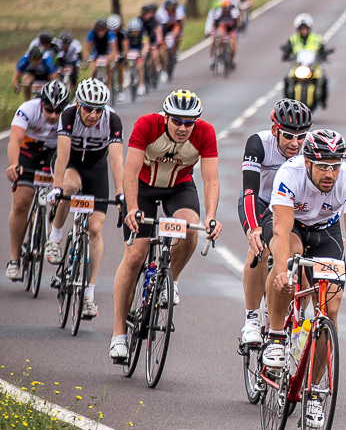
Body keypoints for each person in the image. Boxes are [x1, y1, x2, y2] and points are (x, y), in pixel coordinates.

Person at [261, 130, 346, 404]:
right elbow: (281, 231)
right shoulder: (289, 174)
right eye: (323, 166)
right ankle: (278, 335)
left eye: (335, 166)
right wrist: (282, 272)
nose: (330, 173)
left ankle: (315, 393)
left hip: (325, 232)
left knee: (331, 306)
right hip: (290, 226)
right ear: (308, 163)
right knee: (290, 268)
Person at [109, 90, 222, 364]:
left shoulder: (205, 133)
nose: (183, 128)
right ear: (166, 117)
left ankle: (170, 279)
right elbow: (130, 171)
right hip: (144, 188)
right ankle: (118, 334)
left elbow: (211, 180)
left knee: (189, 230)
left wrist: (210, 217)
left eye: (189, 122)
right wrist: (132, 207)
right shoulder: (147, 124)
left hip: (178, 187)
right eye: (177, 121)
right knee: (135, 256)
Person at [44, 79, 124, 319]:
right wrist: (57, 188)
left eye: (99, 109)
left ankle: (88, 295)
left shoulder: (112, 120)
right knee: (69, 186)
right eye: (88, 108)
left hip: (97, 171)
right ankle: (55, 237)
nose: (93, 114)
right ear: (78, 104)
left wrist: (120, 193)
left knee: (95, 230)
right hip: (72, 165)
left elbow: (116, 160)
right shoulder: (68, 115)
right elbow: (63, 154)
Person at [238, 99, 312, 345]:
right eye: (289, 136)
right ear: (275, 130)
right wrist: (253, 228)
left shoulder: (309, 150)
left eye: (301, 137)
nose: (295, 143)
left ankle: (292, 315)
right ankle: (251, 319)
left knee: (299, 255)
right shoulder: (259, 143)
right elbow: (249, 191)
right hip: (259, 202)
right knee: (261, 246)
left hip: (289, 208)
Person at [5, 80, 71, 281]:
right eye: (50, 110)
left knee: (63, 189)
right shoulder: (28, 109)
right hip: (28, 150)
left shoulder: (68, 116)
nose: (54, 116)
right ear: (41, 104)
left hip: (54, 153)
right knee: (22, 202)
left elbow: (67, 150)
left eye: (58, 111)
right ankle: (14, 259)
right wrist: (14, 164)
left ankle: (52, 225)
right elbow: (14, 140)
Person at [280, 13, 329, 106]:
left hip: (313, 65)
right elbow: (287, 49)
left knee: (323, 79)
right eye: (301, 29)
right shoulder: (293, 39)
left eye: (305, 28)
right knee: (287, 79)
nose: (303, 31)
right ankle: (286, 101)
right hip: (298, 65)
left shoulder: (316, 38)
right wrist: (286, 55)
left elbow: (322, 50)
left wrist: (323, 56)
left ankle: (323, 100)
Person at [208, 0, 239, 70]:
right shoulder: (218, 12)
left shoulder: (233, 12)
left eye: (227, 7)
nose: (226, 9)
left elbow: (235, 25)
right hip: (222, 30)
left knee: (232, 44)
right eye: (225, 7)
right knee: (215, 39)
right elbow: (215, 25)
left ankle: (232, 60)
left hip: (231, 30)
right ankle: (216, 56)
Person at [123, 18, 150, 96]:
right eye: (133, 31)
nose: (134, 33)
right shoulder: (127, 34)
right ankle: (127, 73)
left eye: (136, 31)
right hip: (131, 50)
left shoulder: (143, 33)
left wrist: (143, 53)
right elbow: (125, 45)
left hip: (139, 50)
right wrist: (126, 54)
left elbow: (146, 45)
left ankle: (141, 84)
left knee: (139, 66)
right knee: (125, 60)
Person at [139, 4, 166, 82]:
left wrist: (158, 42)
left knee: (155, 55)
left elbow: (158, 32)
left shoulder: (154, 21)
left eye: (147, 13)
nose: (146, 15)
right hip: (143, 41)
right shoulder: (139, 21)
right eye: (144, 13)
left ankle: (159, 70)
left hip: (153, 41)